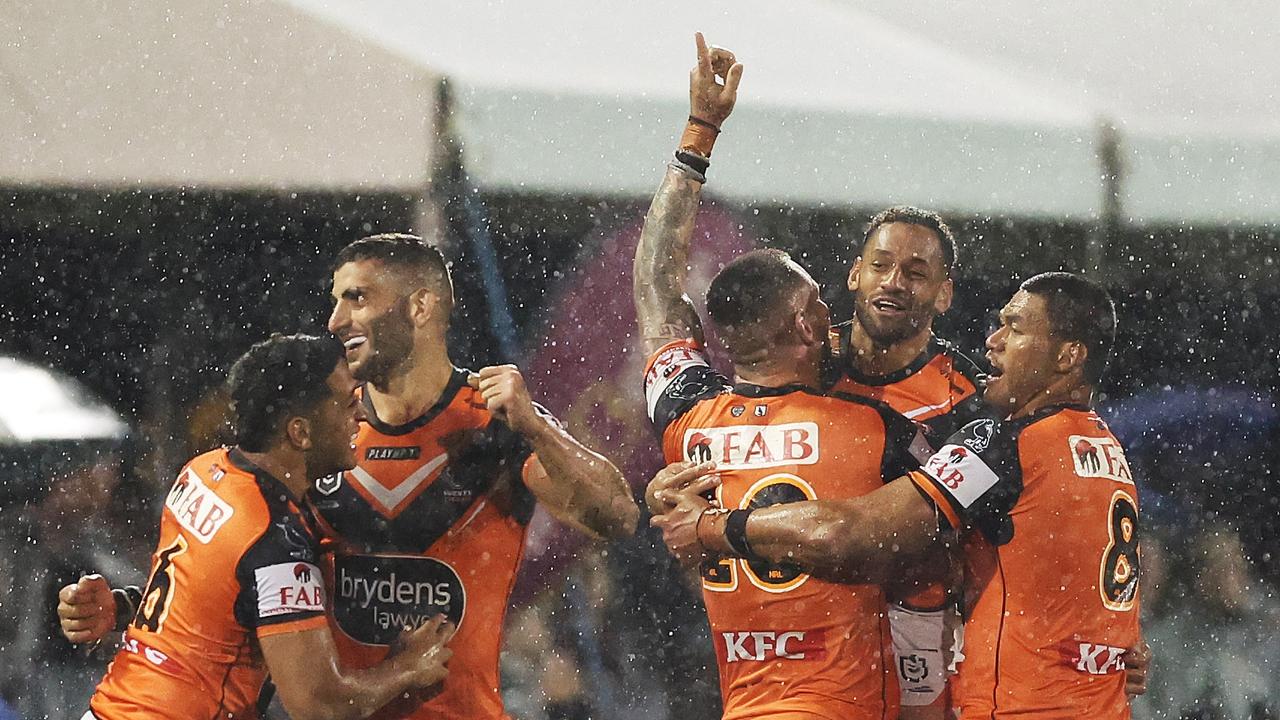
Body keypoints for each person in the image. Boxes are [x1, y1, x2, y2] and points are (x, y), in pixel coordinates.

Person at [62, 235, 638, 720]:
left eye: (357, 299)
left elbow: (618, 517)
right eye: (336, 301)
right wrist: (130, 607)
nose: (336, 321)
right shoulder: (318, 431)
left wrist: (537, 426)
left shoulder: (494, 423)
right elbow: (243, 581)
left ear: (420, 307)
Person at [654, 272, 1145, 718]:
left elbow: (856, 534)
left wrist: (710, 527)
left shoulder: (1001, 443)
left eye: (1014, 330)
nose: (992, 343)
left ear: (1068, 356)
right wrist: (1110, 652)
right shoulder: (1107, 449)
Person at [635, 34, 925, 719]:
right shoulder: (873, 428)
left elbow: (653, 284)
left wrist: (697, 136)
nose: (832, 320)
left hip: (745, 704)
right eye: (821, 307)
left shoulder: (683, 414)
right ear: (802, 325)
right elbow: (955, 527)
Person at [64, 333, 455, 720]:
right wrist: (408, 666)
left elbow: (201, 601)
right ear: (299, 432)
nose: (363, 415)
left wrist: (122, 606)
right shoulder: (274, 541)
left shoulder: (202, 471)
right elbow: (317, 704)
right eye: (348, 402)